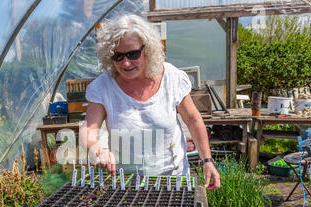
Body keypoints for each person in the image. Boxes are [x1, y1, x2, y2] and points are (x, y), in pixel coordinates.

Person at [84, 14, 220, 190]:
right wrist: (99, 150)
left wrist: (207, 161)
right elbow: (89, 131)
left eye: (133, 54)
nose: (126, 63)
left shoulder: (171, 78)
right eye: (118, 56)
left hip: (173, 180)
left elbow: (193, 120)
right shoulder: (102, 86)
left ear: (147, 50)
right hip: (126, 183)